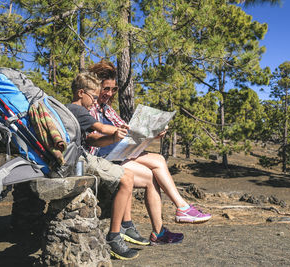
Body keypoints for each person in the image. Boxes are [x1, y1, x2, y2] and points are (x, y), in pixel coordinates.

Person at [87, 60, 211, 244]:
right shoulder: (89, 108)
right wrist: (116, 136)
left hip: (117, 155)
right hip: (101, 160)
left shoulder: (108, 110)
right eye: (106, 89)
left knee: (154, 175)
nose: (110, 93)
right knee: (158, 161)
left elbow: (127, 132)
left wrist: (152, 135)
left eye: (113, 89)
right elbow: (91, 138)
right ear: (96, 86)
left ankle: (160, 231)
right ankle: (181, 208)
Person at [66, 72, 139, 260]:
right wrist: (121, 130)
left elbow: (95, 140)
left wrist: (114, 137)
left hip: (79, 158)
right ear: (81, 92)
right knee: (127, 178)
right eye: (94, 97)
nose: (95, 102)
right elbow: (101, 128)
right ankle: (114, 237)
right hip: (80, 160)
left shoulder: (70, 110)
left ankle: (118, 232)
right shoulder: (77, 110)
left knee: (127, 176)